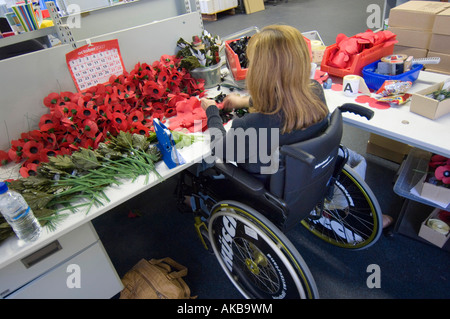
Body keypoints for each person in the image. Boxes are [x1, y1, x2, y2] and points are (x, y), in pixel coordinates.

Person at [200, 24, 393, 229]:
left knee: (208, 171)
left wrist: (211, 111)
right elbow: (282, 102)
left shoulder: (253, 125)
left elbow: (218, 150)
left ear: (259, 72)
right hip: (308, 180)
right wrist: (244, 101)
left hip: (267, 190)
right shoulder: (315, 91)